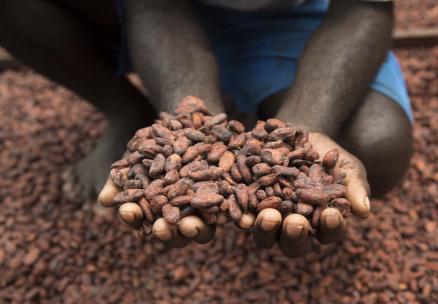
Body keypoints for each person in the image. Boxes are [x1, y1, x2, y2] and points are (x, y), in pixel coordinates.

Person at [0, 0, 413, 257]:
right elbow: (155, 9)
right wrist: (189, 114)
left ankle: (261, 115)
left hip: (303, 17)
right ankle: (127, 109)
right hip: (164, 16)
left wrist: (303, 125)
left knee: (377, 143)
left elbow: (365, 7)